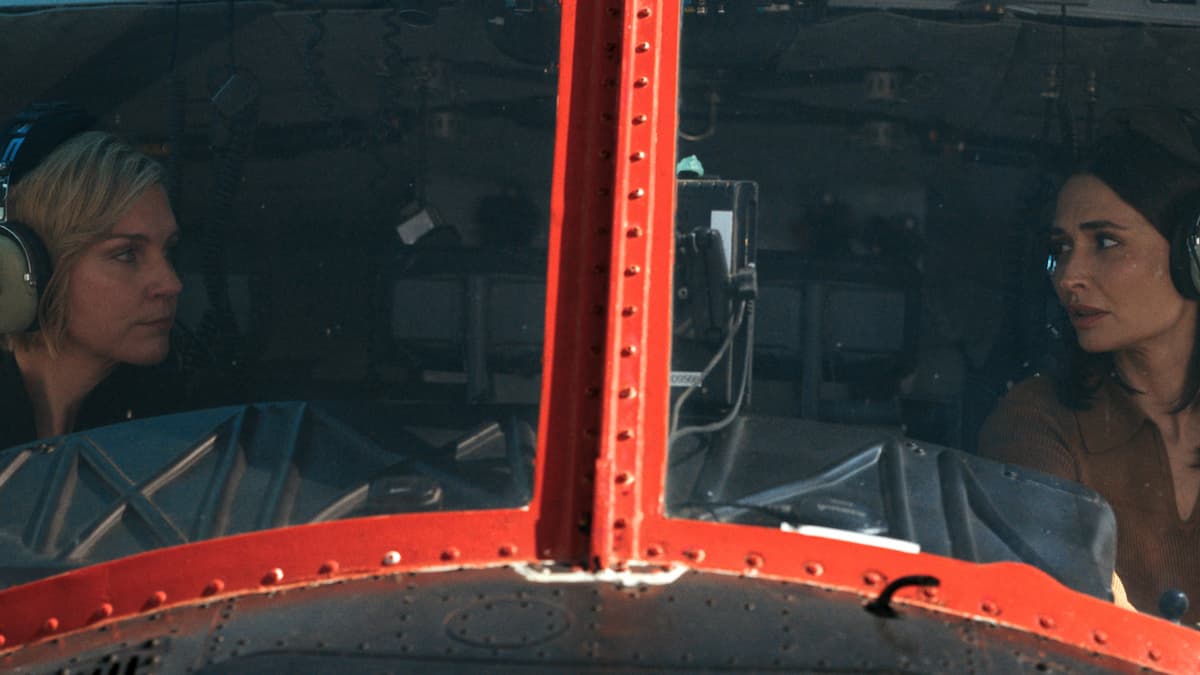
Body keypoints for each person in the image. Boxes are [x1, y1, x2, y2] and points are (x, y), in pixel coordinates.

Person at [979, 106, 1200, 622]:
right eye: (1061, 248)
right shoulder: (1034, 421)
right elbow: (1070, 618)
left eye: (1106, 242)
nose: (1068, 277)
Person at [0, 130, 184, 449]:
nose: (171, 284)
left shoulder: (178, 425)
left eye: (167, 250)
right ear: (34, 267)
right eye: (127, 254)